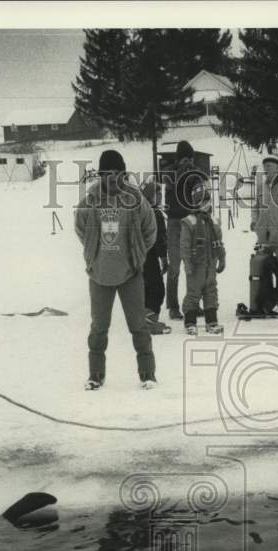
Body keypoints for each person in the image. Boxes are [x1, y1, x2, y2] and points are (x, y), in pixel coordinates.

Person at [74, 149, 158, 390]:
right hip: (99, 275)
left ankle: (147, 374)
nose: (111, 177)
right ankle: (95, 375)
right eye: (106, 173)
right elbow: (80, 228)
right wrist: (94, 253)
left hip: (130, 273)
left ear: (123, 174)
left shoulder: (135, 200)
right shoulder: (90, 201)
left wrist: (138, 254)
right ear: (100, 175)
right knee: (98, 328)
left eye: (116, 173)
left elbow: (150, 230)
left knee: (139, 326)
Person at [164, 140, 206, 321]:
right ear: (178, 159)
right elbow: (171, 191)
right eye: (184, 159)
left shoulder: (195, 174)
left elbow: (201, 191)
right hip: (174, 222)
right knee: (174, 266)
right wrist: (184, 172)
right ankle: (173, 306)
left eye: (190, 159)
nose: (187, 162)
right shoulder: (170, 174)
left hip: (192, 221)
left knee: (195, 265)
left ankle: (193, 303)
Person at [180, 181, 226, 335]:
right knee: (193, 293)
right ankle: (190, 322)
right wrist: (187, 262)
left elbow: (219, 241)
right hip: (196, 264)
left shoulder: (213, 221)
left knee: (211, 291)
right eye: (202, 201)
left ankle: (211, 321)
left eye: (207, 201)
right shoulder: (189, 222)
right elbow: (185, 245)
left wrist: (222, 258)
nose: (206, 204)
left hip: (210, 263)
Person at [140, 181, 170, 335]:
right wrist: (164, 258)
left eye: (161, 193)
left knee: (146, 288)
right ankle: (150, 322)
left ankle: (146, 319)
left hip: (139, 256)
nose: (160, 196)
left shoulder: (139, 211)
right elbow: (160, 238)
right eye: (157, 193)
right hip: (150, 256)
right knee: (157, 289)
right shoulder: (154, 213)